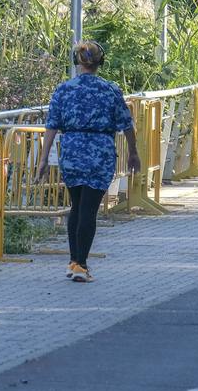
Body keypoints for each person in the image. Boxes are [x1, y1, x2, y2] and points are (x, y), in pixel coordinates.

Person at [36, 41, 140, 283]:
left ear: (77, 62)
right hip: (99, 152)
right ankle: (81, 265)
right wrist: (133, 152)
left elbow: (51, 126)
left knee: (76, 206)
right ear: (100, 62)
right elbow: (127, 124)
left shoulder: (64, 90)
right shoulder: (110, 89)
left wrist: (43, 158)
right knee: (89, 210)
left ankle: (74, 261)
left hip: (71, 151)